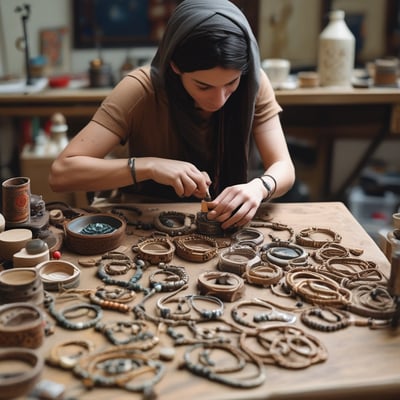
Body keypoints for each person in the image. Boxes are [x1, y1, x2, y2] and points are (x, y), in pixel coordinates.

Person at [49, 0, 295, 230]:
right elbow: (61, 174)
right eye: (203, 86)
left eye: (231, 83)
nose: (219, 100)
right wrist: (151, 166)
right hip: (144, 217)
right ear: (175, 66)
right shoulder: (141, 89)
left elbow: (284, 167)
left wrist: (260, 187)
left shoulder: (254, 82)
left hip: (223, 219)